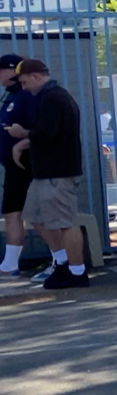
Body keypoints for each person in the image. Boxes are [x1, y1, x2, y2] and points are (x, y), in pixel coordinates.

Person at [10, 60, 90, 287]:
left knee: (65, 222)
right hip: (47, 173)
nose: (24, 87)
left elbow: (47, 134)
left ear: (35, 76)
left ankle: (76, 272)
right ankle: (63, 261)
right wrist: (24, 143)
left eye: (24, 82)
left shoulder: (53, 98)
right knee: (35, 216)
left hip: (58, 172)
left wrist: (21, 134)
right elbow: (46, 133)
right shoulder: (50, 97)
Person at [0, 55, 33, 276]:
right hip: (12, 168)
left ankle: (61, 260)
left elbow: (38, 128)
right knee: (12, 213)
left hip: (26, 165)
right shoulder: (10, 96)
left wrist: (21, 142)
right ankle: (9, 264)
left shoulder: (26, 96)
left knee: (39, 216)